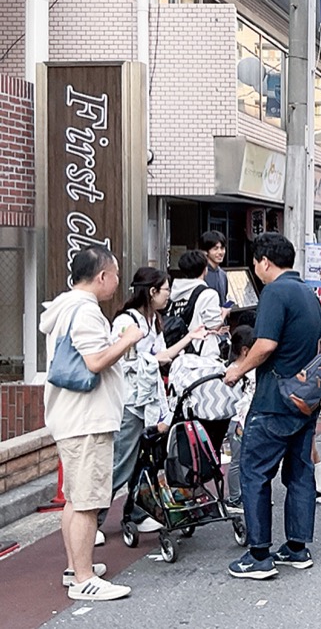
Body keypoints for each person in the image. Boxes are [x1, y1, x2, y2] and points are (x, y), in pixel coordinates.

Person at [41, 246, 143, 601]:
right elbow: (95, 361)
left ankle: (76, 569)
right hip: (87, 419)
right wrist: (127, 339)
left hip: (72, 418)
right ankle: (84, 578)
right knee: (87, 501)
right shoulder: (85, 312)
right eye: (115, 275)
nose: (117, 282)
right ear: (102, 276)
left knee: (75, 498)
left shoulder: (66, 307)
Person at [223, 232, 321, 579]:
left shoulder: (275, 292)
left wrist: (237, 368)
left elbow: (265, 344)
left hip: (273, 399)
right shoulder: (309, 294)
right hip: (306, 397)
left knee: (254, 472)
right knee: (299, 473)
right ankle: (297, 547)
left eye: (255, 263)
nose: (255, 269)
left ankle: (258, 555)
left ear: (265, 262)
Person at [99, 267, 206, 536]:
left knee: (144, 460)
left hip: (147, 402)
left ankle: (136, 510)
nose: (169, 294)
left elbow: (163, 355)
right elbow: (123, 358)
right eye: (166, 289)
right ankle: (94, 520)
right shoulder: (127, 321)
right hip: (130, 402)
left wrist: (190, 338)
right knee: (122, 461)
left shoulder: (153, 319)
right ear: (152, 291)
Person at [169, 250, 235, 456]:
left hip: (179, 354)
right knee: (203, 410)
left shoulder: (173, 291)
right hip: (201, 357)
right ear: (204, 269)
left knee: (183, 407)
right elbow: (214, 323)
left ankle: (184, 452)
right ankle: (202, 455)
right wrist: (225, 311)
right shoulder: (207, 293)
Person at [224, 325, 256, 513]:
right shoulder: (236, 370)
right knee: (238, 460)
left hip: (245, 420)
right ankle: (235, 498)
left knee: (248, 459)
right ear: (245, 350)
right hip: (238, 420)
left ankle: (248, 494)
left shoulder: (241, 368)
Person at [201, 230, 230, 306]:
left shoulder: (223, 274)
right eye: (215, 248)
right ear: (206, 251)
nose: (220, 252)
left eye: (222, 248)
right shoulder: (200, 273)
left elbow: (224, 300)